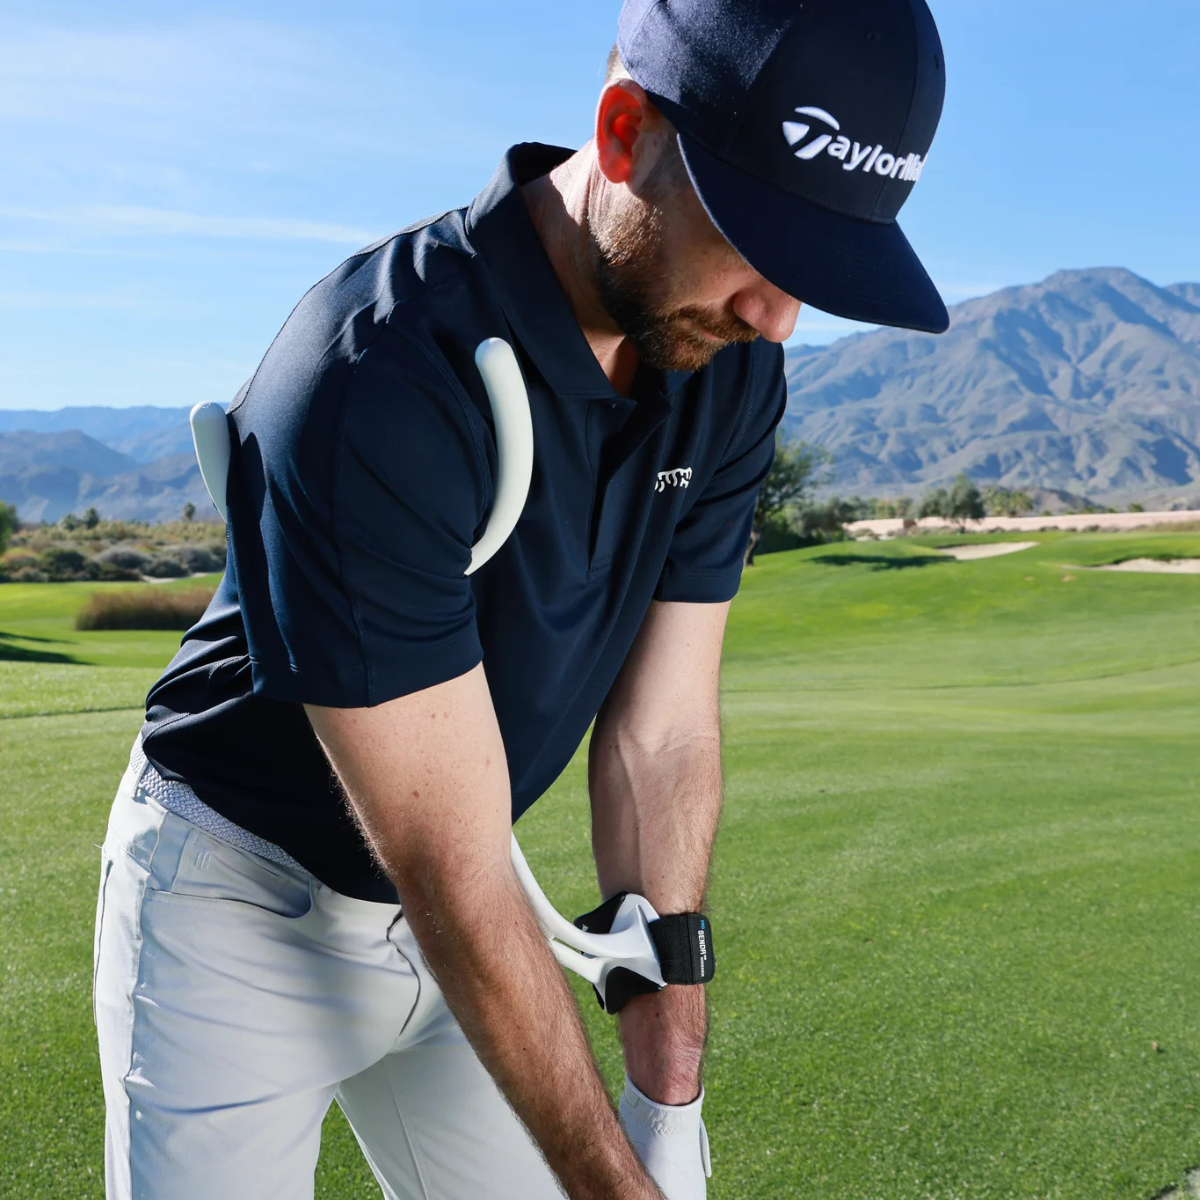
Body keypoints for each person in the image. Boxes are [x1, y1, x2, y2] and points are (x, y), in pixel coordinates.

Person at [92, 0, 949, 1197]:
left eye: (817, 265)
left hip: (463, 917)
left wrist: (668, 1109)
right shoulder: (372, 375)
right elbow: (449, 869)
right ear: (621, 130)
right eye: (760, 241)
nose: (779, 314)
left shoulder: (730, 369)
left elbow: (662, 735)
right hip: (236, 910)